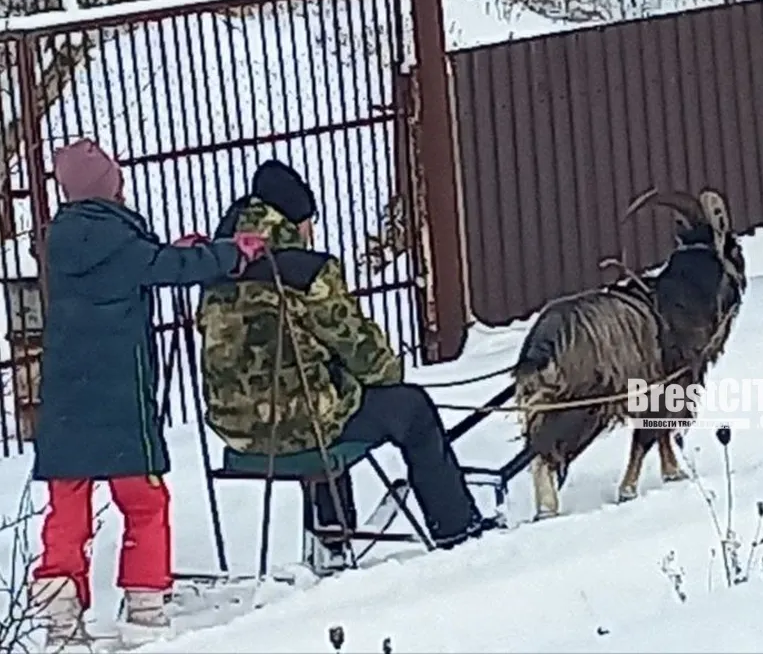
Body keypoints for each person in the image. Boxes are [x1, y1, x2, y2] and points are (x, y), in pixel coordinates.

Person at [29, 138, 266, 651]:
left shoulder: (64, 240)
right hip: (121, 396)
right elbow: (168, 269)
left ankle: (61, 617)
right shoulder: (118, 238)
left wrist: (168, 255)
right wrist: (230, 253)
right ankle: (144, 607)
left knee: (67, 507)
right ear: (110, 186)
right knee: (144, 500)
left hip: (67, 397)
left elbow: (148, 264)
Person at [197, 159, 497, 562]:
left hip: (238, 433)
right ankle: (457, 529)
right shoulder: (306, 272)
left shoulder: (216, 270)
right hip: (300, 431)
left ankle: (331, 539)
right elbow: (365, 354)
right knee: (409, 408)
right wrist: (385, 372)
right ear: (298, 221)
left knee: (316, 395)